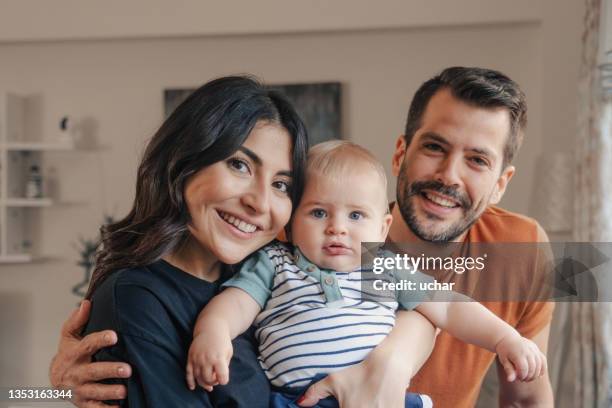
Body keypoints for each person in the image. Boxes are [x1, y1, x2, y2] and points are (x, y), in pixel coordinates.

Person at [49, 76, 437, 408]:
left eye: (281, 185)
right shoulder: (139, 298)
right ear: (185, 160)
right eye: (239, 165)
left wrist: (388, 362)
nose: (259, 202)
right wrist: (45, 392)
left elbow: (425, 311)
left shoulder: (267, 270)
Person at [186, 141, 546, 408]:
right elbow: (234, 304)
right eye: (318, 213)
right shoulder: (276, 262)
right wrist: (213, 333)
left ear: (382, 226)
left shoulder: (383, 267)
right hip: (298, 401)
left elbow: (449, 308)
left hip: (383, 397)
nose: (337, 229)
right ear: (290, 224)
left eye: (355, 216)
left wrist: (504, 339)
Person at [299, 67, 555, 408]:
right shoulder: (319, 246)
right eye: (435, 147)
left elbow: (526, 399)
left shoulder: (523, 248)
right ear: (400, 154)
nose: (448, 176)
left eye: (477, 160)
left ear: (500, 185)